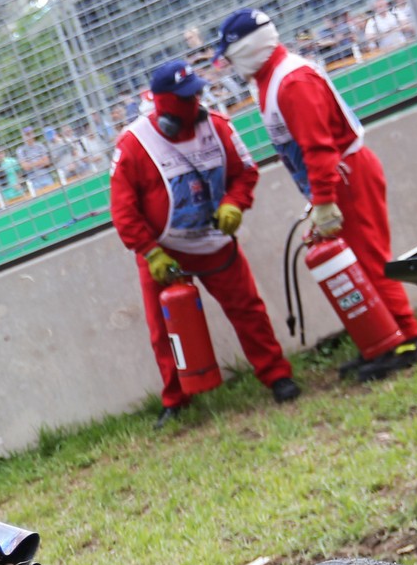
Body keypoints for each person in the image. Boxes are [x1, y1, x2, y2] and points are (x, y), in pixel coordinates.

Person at [215, 6, 417, 381]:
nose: (230, 67)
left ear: (245, 50)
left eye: (231, 57)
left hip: (345, 175)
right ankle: (381, 341)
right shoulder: (271, 79)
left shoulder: (291, 81)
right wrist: (320, 197)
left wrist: (325, 200)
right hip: (335, 178)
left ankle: (408, 340)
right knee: (357, 263)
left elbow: (319, 147)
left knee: (369, 258)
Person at [110, 58, 300, 426]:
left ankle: (277, 376)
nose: (193, 102)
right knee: (163, 329)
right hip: (163, 251)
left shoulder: (218, 128)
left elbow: (245, 172)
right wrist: (150, 252)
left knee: (248, 309)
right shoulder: (134, 145)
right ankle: (175, 399)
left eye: (196, 94)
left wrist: (233, 204)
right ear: (161, 102)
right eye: (184, 98)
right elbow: (123, 210)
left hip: (215, 242)